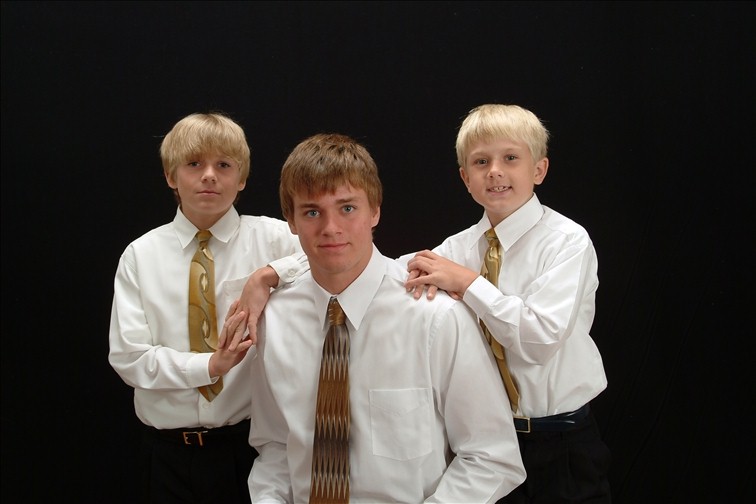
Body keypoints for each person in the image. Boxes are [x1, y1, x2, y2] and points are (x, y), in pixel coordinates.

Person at [239, 133, 526, 502]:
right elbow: (276, 447)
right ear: (291, 221)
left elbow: (491, 457)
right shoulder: (273, 320)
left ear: (374, 211)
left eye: (347, 208)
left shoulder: (435, 318)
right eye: (312, 212)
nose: (330, 228)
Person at [402, 104, 612, 503]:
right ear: (465, 178)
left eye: (511, 158)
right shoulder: (457, 249)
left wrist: (469, 284)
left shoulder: (567, 242)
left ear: (539, 170)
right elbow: (377, 272)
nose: (495, 171)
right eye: (481, 162)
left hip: (562, 443)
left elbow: (538, 340)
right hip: (486, 446)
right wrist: (283, 270)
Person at [108, 112, 305, 504]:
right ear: (171, 176)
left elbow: (338, 257)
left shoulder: (276, 239)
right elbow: (129, 357)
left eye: (224, 165)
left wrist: (266, 274)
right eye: (194, 164)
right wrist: (209, 366)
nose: (210, 176)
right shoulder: (140, 255)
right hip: (164, 455)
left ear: (242, 178)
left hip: (249, 450)